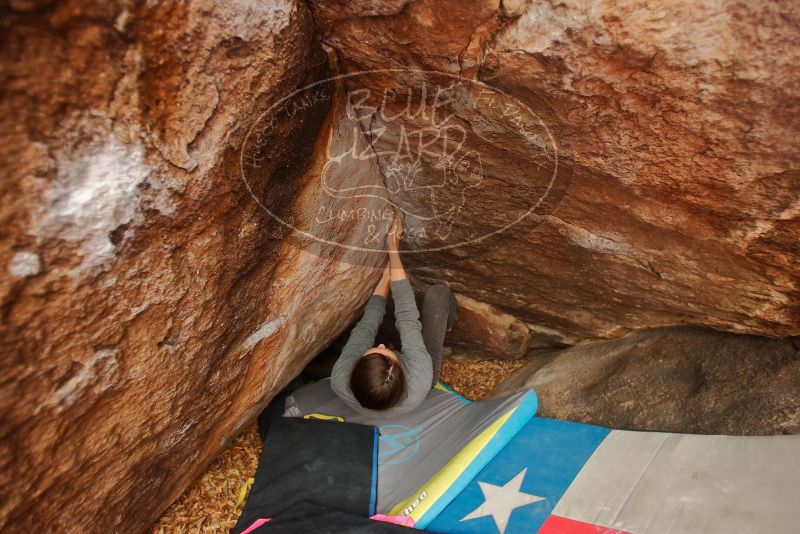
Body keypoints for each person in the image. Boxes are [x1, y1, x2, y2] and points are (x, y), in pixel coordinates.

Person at [331, 215, 458, 416]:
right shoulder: (419, 376)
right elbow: (407, 317)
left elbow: (367, 326)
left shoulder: (340, 378)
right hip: (421, 375)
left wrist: (385, 280)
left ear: (356, 372)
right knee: (439, 295)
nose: (381, 346)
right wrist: (393, 249)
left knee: (354, 335)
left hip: (384, 377)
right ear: (401, 371)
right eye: (387, 352)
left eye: (374, 352)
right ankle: (448, 326)